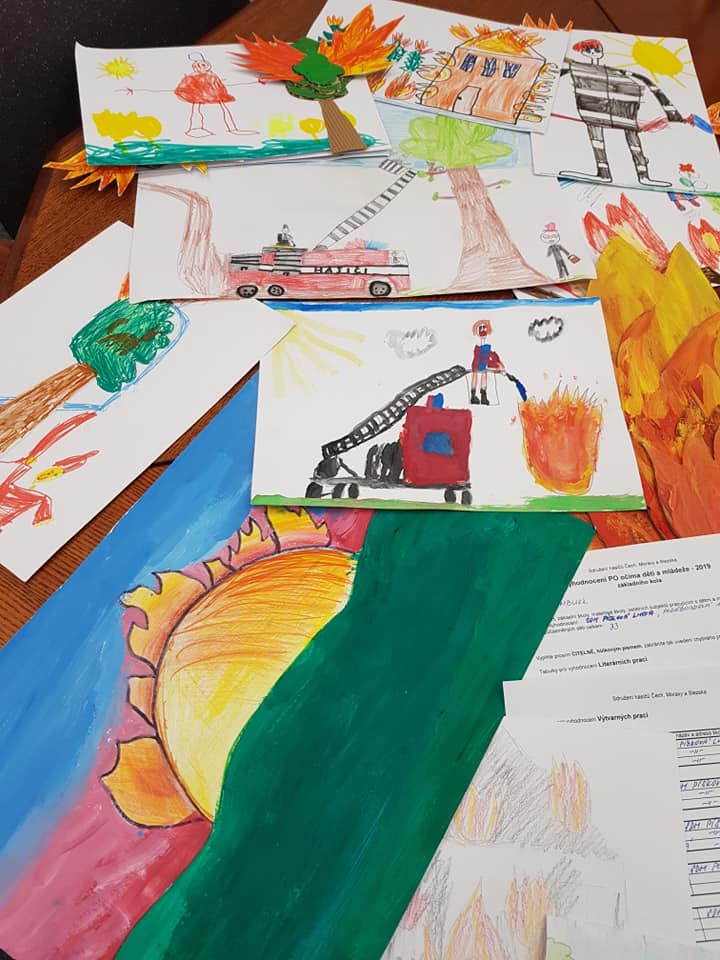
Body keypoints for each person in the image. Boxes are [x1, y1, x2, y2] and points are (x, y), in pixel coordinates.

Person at [560, 38, 689, 187]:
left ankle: (643, 175)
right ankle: (604, 173)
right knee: (597, 138)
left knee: (631, 136)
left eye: (597, 49)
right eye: (589, 50)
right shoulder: (580, 68)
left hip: (622, 107)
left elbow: (640, 80)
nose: (594, 53)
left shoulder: (613, 71)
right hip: (594, 108)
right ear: (584, 53)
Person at [174, 53, 245, 138]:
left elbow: (219, 85)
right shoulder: (192, 76)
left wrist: (221, 94)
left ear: (207, 65)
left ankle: (232, 128)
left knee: (222, 109)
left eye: (202, 65)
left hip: (215, 95)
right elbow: (183, 86)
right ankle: (196, 128)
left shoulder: (212, 75)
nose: (200, 67)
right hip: (198, 97)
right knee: (197, 109)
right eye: (197, 65)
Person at [470, 319, 504, 405]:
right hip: (479, 361)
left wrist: (498, 363)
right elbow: (489, 354)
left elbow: (492, 354)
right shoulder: (478, 342)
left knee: (480, 374)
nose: (483, 330)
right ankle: (478, 396)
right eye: (481, 328)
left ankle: (480, 396)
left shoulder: (486, 342)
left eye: (484, 328)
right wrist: (497, 363)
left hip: (481, 362)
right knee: (479, 374)